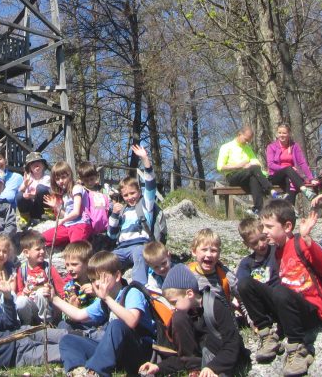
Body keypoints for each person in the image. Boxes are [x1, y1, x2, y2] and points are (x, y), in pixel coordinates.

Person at [237, 199, 322, 376]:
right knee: (245, 283)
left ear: (287, 227)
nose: (264, 232)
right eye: (263, 226)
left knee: (280, 290)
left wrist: (307, 238)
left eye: (269, 227)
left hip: (310, 312)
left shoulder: (299, 243)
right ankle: (266, 334)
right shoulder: (277, 251)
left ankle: (297, 348)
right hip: (287, 309)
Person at [53, 251, 156, 377]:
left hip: (140, 353)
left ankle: (95, 372)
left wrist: (107, 298)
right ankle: (77, 371)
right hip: (116, 353)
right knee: (68, 340)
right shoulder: (105, 300)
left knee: (117, 325)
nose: (96, 283)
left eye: (101, 278)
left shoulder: (132, 293)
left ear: (117, 276)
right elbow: (79, 315)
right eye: (93, 280)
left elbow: (132, 321)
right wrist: (54, 299)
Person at [137, 264, 248, 377]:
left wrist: (213, 367)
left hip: (223, 359)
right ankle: (195, 370)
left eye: (174, 302)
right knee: (178, 318)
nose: (173, 307)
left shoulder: (216, 306)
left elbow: (232, 343)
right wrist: (158, 367)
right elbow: (185, 357)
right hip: (205, 362)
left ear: (189, 294)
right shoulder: (185, 315)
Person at [106, 143, 157, 283]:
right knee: (106, 263)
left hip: (140, 245)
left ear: (139, 192)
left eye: (133, 193)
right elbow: (111, 234)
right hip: (121, 248)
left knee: (140, 255)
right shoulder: (122, 210)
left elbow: (151, 183)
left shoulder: (146, 205)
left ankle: (139, 288)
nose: (130, 197)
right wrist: (114, 215)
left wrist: (145, 160)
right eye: (126, 195)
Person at [217, 126, 272, 215]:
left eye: (249, 140)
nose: (247, 142)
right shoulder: (226, 147)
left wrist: (251, 165)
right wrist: (238, 166)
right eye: (246, 139)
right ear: (239, 134)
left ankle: (258, 209)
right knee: (253, 169)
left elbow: (256, 163)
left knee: (254, 178)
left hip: (247, 175)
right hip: (233, 176)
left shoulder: (247, 148)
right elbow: (220, 167)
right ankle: (269, 189)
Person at [14, 230, 63, 325]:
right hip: (32, 306)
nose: (42, 251)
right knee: (21, 301)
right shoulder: (22, 270)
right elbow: (19, 291)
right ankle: (27, 324)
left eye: (44, 248)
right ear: (26, 253)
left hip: (47, 306)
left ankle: (47, 323)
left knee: (41, 292)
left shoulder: (48, 268)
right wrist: (23, 292)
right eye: (38, 249)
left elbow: (61, 288)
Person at [41, 161, 91, 247]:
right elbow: (66, 215)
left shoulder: (77, 188)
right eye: (57, 179)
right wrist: (56, 206)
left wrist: (63, 220)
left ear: (70, 175)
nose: (60, 181)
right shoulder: (65, 194)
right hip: (67, 226)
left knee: (75, 250)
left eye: (63, 177)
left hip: (80, 225)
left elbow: (76, 212)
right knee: (42, 239)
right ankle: (68, 239)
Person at [265, 124, 316, 204]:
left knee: (289, 181)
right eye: (279, 133)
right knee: (288, 169)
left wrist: (311, 178)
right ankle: (304, 189)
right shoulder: (271, 147)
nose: (281, 135)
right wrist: (286, 168)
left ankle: (291, 209)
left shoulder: (294, 146)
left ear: (289, 134)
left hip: (290, 175)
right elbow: (271, 165)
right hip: (275, 176)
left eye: (284, 133)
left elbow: (302, 162)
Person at [188, 229, 237, 307]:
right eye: (204, 250)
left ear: (219, 253)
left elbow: (243, 298)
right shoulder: (187, 273)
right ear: (194, 251)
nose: (209, 255)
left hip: (221, 316)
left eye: (213, 250)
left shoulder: (225, 275)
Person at [235, 216, 279, 287]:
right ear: (246, 244)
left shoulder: (277, 252)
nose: (261, 244)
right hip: (259, 295)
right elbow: (241, 286)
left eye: (263, 238)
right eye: (254, 243)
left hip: (278, 293)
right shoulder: (246, 263)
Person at [17, 152, 51, 224]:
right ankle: (25, 217)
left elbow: (48, 193)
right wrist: (25, 185)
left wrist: (32, 196)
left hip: (42, 207)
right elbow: (20, 193)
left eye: (38, 162)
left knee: (40, 188)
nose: (36, 165)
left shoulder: (47, 178)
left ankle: (48, 213)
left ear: (43, 165)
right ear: (29, 168)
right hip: (30, 208)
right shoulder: (28, 178)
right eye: (32, 163)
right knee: (19, 195)